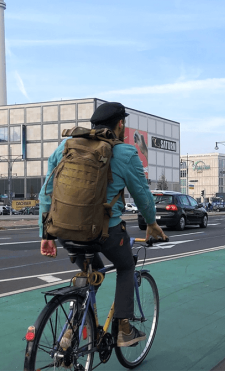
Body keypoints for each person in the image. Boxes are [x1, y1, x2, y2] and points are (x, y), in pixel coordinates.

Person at [38, 102, 169, 347]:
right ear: (120, 124)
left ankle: (71, 331)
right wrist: (151, 223)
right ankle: (124, 329)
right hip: (105, 233)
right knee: (126, 266)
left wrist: (46, 234)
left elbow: (46, 193)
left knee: (92, 271)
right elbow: (142, 194)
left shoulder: (65, 147)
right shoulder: (126, 153)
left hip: (65, 232)